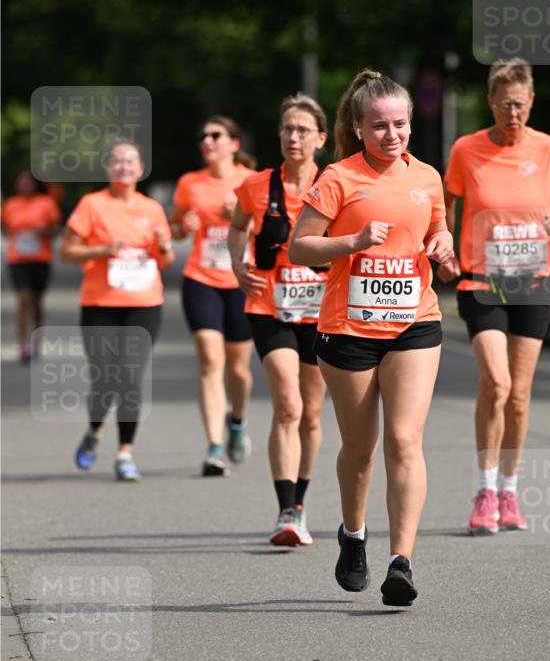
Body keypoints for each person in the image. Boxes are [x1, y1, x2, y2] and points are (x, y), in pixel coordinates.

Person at [289, 70, 454, 607]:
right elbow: (300, 248)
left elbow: (437, 227)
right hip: (348, 329)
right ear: (358, 128)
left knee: (405, 440)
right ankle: (353, 534)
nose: (392, 134)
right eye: (380, 126)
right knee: (361, 450)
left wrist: (443, 245)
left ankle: (400, 562)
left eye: (401, 124)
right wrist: (354, 240)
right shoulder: (338, 177)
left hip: (415, 322)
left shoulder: (427, 177)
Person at [436, 58, 550, 536]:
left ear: (531, 102)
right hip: (482, 281)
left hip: (533, 282)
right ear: (490, 103)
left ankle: (509, 489)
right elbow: (445, 203)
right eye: (504, 105)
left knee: (519, 397)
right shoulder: (466, 149)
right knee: (496, 384)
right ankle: (483, 490)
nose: (512, 113)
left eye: (519, 104)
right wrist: (442, 245)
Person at [228, 94, 329, 547]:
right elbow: (235, 226)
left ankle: (302, 503)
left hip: (325, 310)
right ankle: (285, 510)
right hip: (270, 306)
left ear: (321, 138)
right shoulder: (257, 185)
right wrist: (237, 264)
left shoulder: (336, 183)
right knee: (288, 404)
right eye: (288, 128)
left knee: (311, 411)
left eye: (303, 130)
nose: (294, 137)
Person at [60, 140, 174, 481]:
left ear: (140, 169)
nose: (124, 167)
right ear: (108, 168)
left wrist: (165, 247)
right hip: (100, 304)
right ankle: (95, 430)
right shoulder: (91, 205)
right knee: (105, 378)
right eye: (117, 161)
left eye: (131, 161)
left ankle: (126, 452)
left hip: (144, 304)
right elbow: (67, 251)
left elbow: (165, 262)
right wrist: (103, 248)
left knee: (130, 377)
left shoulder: (152, 208)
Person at [170, 117, 255, 475]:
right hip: (200, 278)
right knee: (210, 362)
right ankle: (214, 447)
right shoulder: (190, 183)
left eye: (216, 135)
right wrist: (181, 227)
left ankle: (236, 420)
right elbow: (174, 228)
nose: (208, 140)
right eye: (203, 135)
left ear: (234, 143)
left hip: (241, 280)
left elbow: (273, 228)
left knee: (238, 368)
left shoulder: (252, 181)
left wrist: (240, 218)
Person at [2, 171, 61, 363]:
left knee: (36, 302)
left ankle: (36, 338)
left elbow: (56, 230)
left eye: (28, 182)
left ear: (35, 185)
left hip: (40, 257)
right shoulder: (10, 205)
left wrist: (42, 231)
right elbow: (5, 230)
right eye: (22, 182)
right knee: (23, 298)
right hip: (17, 258)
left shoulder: (46, 203)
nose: (25, 185)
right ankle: (22, 345)